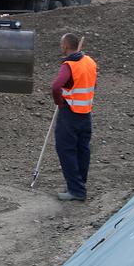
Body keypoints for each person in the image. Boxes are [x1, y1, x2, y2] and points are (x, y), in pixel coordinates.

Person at [50, 33, 96, 202]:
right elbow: (93, 84)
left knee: (66, 149)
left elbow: (56, 86)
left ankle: (76, 190)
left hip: (70, 113)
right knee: (82, 149)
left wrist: (59, 101)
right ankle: (79, 185)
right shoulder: (90, 62)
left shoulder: (68, 66)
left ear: (65, 46)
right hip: (86, 113)